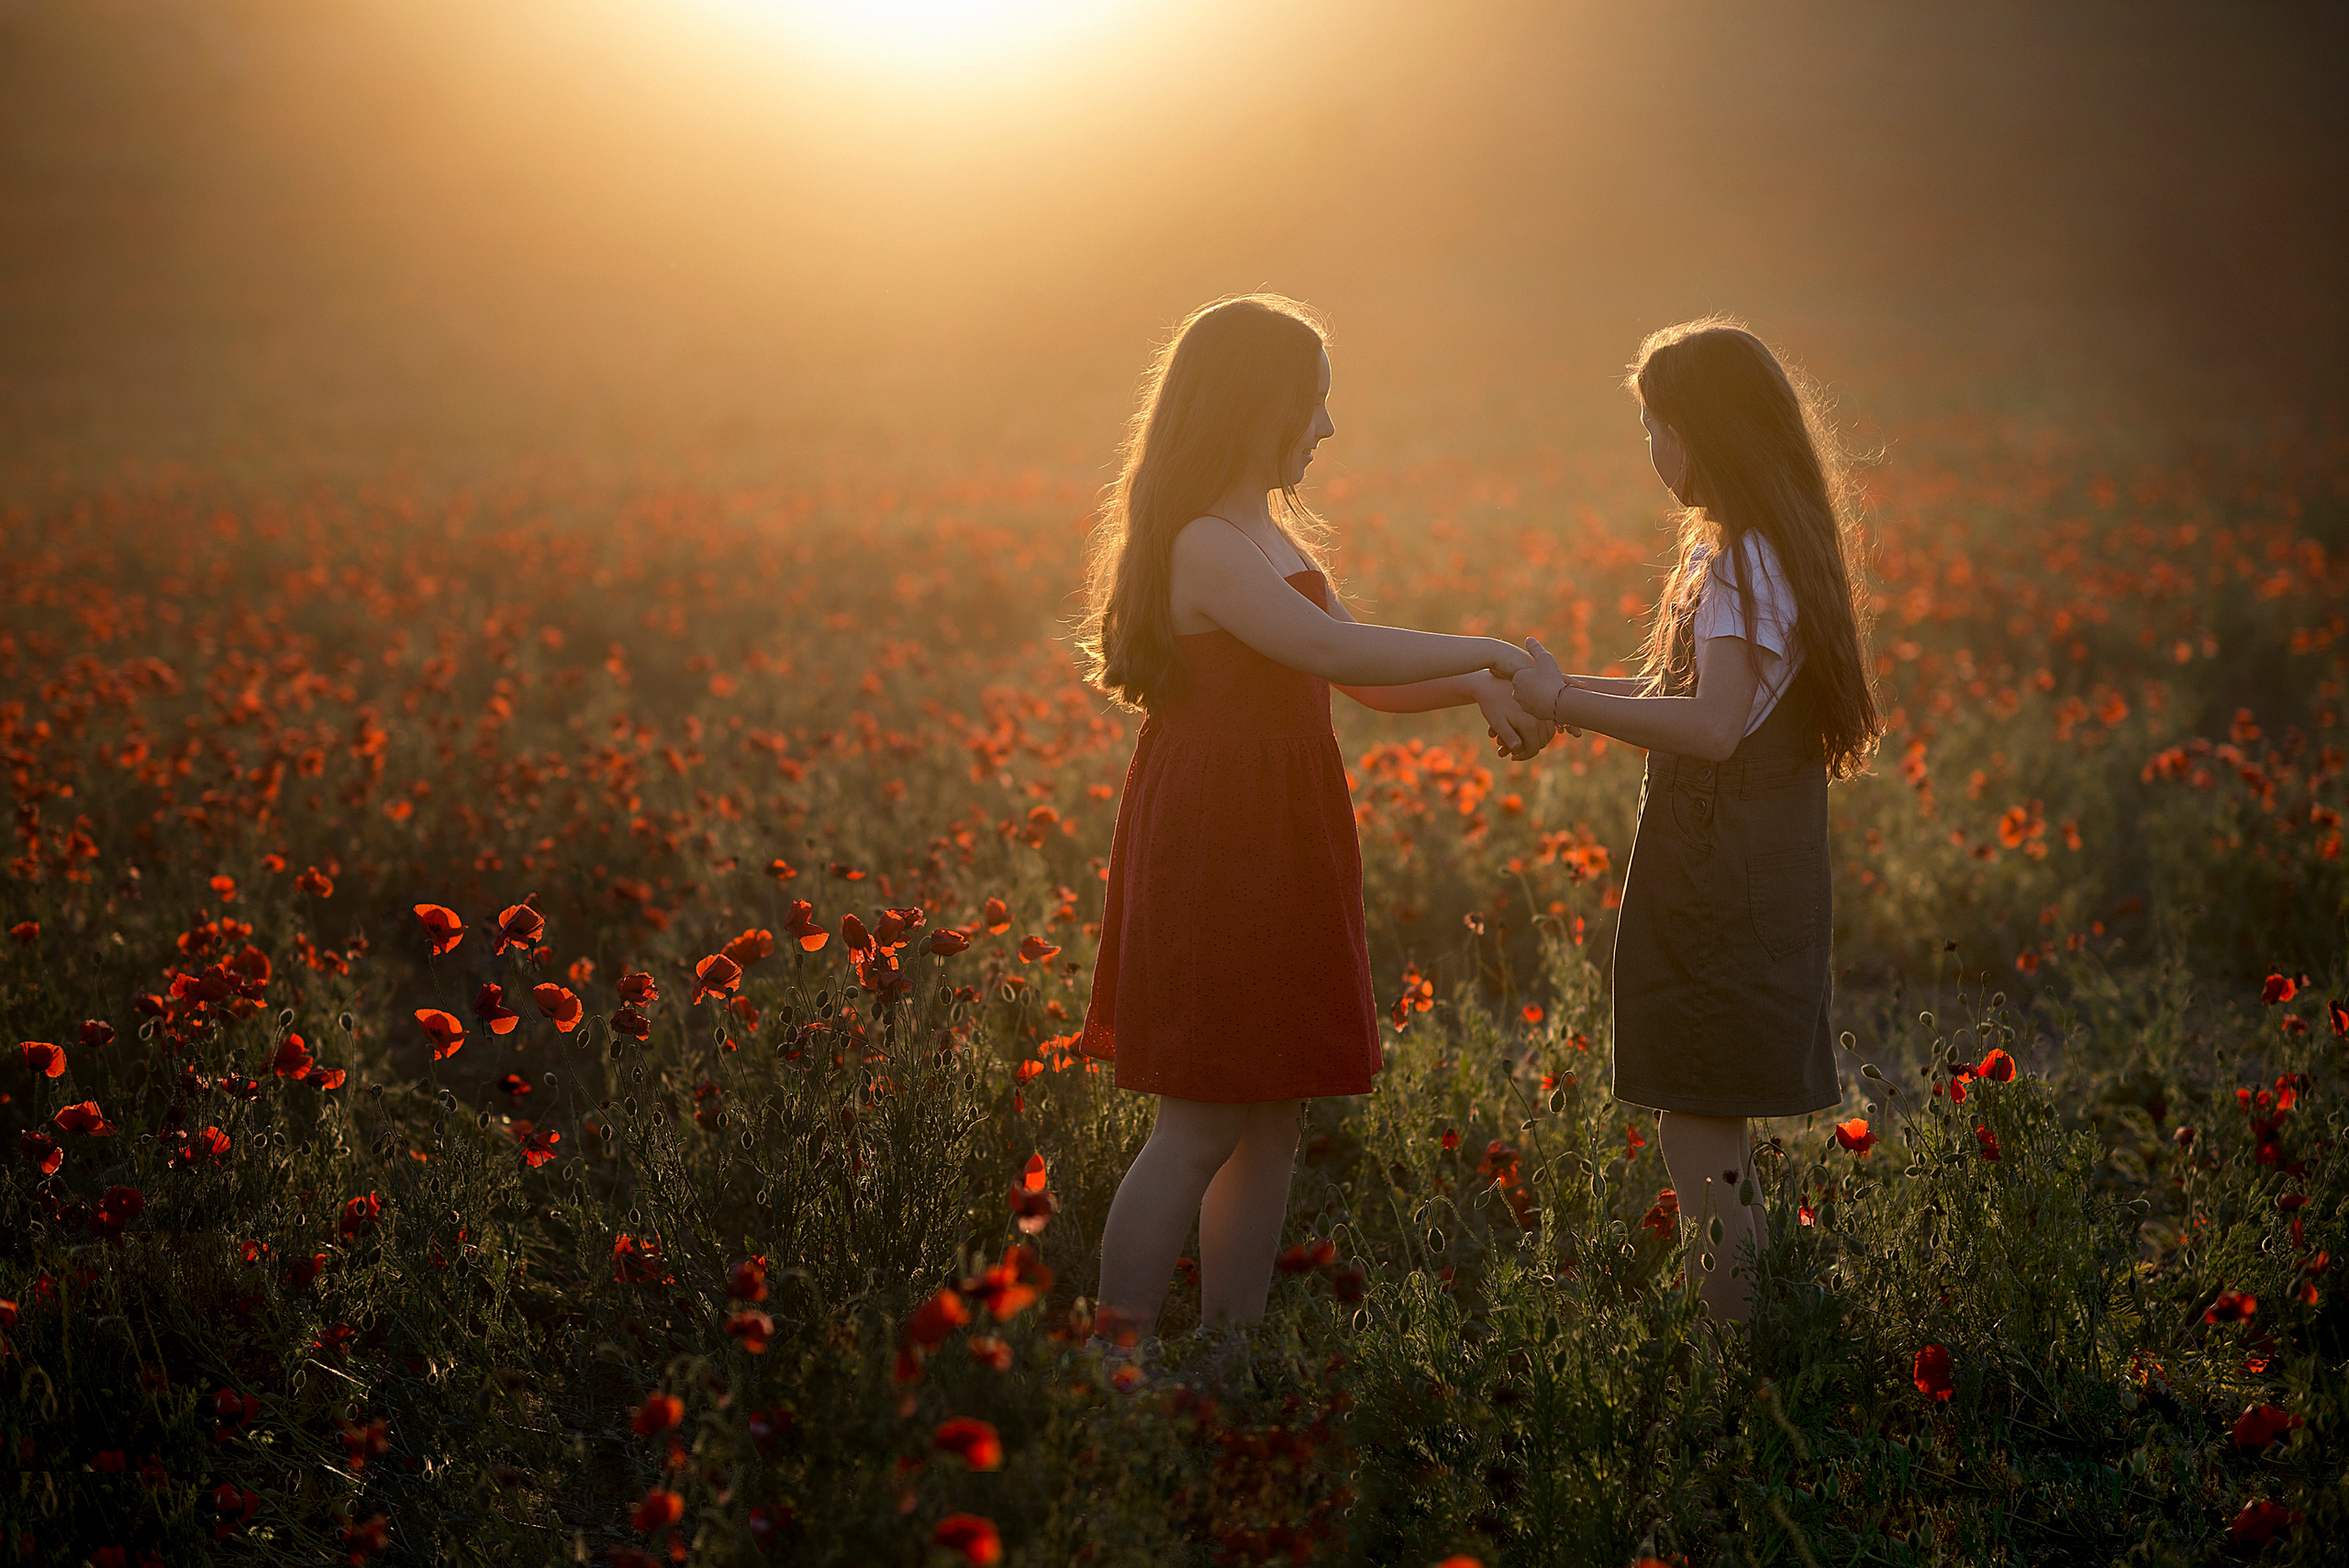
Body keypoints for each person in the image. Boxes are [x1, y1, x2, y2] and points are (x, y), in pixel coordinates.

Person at [1075, 294, 1553, 1373]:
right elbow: (1329, 652)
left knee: (1274, 1112)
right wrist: (1493, 646)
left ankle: (1229, 1347)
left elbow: (1363, 684)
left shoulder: (1265, 530)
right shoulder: (1203, 542)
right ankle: (1110, 1364)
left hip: (1282, 832)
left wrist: (1483, 684)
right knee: (1197, 1119)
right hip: (1216, 836)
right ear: (1258, 408)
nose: (1328, 429)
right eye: (1316, 402)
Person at [1511, 317, 1881, 1327]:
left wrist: (1556, 702)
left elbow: (1712, 726)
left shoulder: (1739, 560)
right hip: (1731, 848)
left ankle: (1735, 1344)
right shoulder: (1758, 548)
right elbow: (1677, 696)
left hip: (1721, 861)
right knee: (1708, 1120)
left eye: (1650, 425)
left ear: (1697, 430)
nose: (1647, 447)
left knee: (1698, 1129)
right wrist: (1550, 691)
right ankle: (1757, 1327)